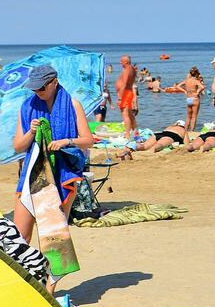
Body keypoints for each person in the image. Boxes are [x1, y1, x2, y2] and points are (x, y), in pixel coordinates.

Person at [10, 64, 95, 249]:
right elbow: (18, 146)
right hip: (33, 173)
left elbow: (88, 140)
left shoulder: (73, 105)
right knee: (19, 236)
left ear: (54, 82)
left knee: (53, 237)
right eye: (34, 87)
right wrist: (31, 132)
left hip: (63, 173)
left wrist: (66, 142)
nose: (37, 91)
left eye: (41, 87)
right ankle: (22, 276)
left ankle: (49, 279)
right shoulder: (26, 107)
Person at [165, 67, 205, 133]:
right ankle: (192, 131)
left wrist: (184, 91)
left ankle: (185, 130)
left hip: (189, 99)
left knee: (188, 116)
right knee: (194, 116)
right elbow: (203, 87)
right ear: (196, 74)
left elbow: (177, 86)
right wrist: (198, 92)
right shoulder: (196, 81)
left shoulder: (186, 81)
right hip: (195, 98)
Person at [114, 55, 139, 137]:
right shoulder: (132, 69)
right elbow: (132, 81)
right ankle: (135, 132)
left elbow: (124, 84)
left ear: (126, 62)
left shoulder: (126, 70)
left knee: (125, 115)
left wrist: (120, 98)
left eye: (121, 61)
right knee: (130, 114)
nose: (120, 62)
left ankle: (127, 134)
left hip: (125, 94)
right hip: (129, 92)